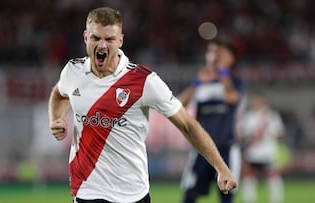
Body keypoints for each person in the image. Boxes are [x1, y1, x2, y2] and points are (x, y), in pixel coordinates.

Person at [48, 7, 237, 203]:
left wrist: (221, 168)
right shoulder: (73, 70)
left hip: (132, 194)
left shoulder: (144, 81)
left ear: (120, 40)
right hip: (87, 190)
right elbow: (60, 94)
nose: (102, 45)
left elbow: (188, 124)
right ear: (86, 37)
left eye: (110, 39)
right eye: (96, 38)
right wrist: (57, 118)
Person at [178, 39, 244, 203]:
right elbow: (178, 106)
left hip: (226, 147)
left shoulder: (235, 82)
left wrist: (222, 74)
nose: (215, 57)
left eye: (220, 53)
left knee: (226, 194)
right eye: (212, 52)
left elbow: (232, 98)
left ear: (231, 58)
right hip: (202, 148)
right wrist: (197, 83)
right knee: (190, 193)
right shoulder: (201, 83)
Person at [237, 92, 287, 203]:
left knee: (273, 177)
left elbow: (280, 135)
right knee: (249, 176)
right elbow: (241, 135)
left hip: (268, 152)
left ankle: (276, 200)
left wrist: (270, 135)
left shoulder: (272, 116)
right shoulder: (248, 117)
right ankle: (249, 200)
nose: (254, 103)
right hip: (252, 152)